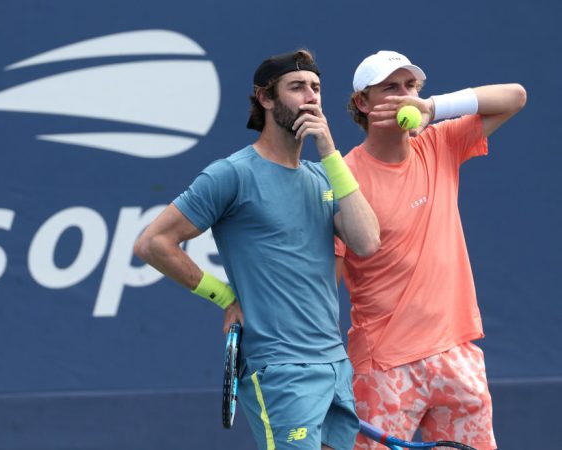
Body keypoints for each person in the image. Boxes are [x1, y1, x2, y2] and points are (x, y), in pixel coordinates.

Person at [134, 49, 380, 450]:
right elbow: (153, 243)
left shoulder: (325, 175)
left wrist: (330, 152)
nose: (310, 97)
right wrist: (225, 297)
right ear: (265, 98)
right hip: (279, 368)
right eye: (296, 87)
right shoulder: (232, 174)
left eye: (316, 88)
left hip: (335, 363)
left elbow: (367, 242)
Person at [334, 50, 527, 450]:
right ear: (362, 104)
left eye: (411, 86)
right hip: (384, 367)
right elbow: (325, 281)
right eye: (391, 87)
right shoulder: (343, 178)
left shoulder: (440, 142)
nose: (405, 95)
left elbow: (515, 96)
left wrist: (433, 108)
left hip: (457, 353)